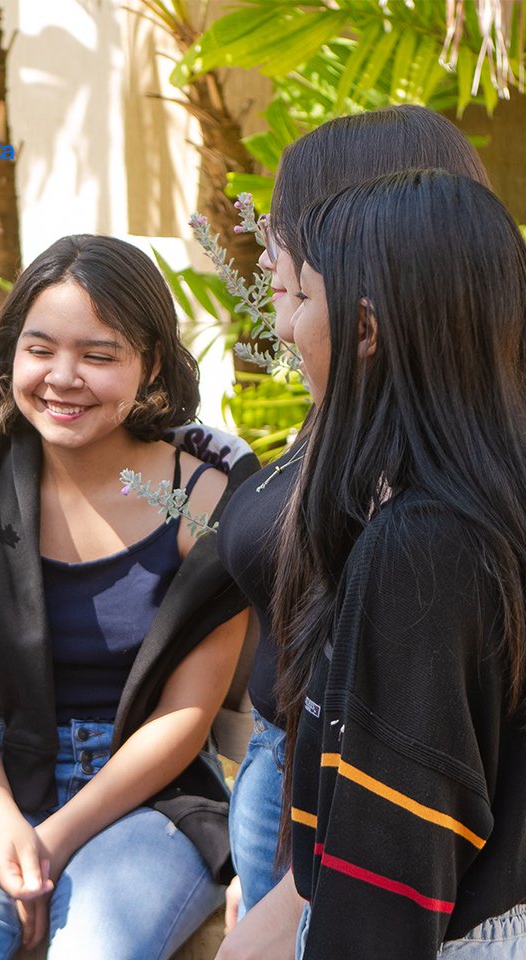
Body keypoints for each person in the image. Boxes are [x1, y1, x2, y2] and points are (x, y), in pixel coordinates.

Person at [0, 235, 252, 960]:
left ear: (149, 362)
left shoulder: (206, 500)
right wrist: (4, 823)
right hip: (0, 778)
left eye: (98, 354)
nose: (63, 377)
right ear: (9, 354)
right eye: (40, 348)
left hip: (158, 794)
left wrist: (51, 842)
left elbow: (187, 715)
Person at [215, 104, 491, 926]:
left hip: (359, 809)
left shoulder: (428, 520)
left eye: (285, 239)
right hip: (292, 783)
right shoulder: (346, 411)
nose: (266, 255)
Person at [264, 169, 526, 957]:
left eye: (303, 295)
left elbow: (390, 871)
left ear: (368, 330)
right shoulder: (486, 505)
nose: (287, 327)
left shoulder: (422, 546)